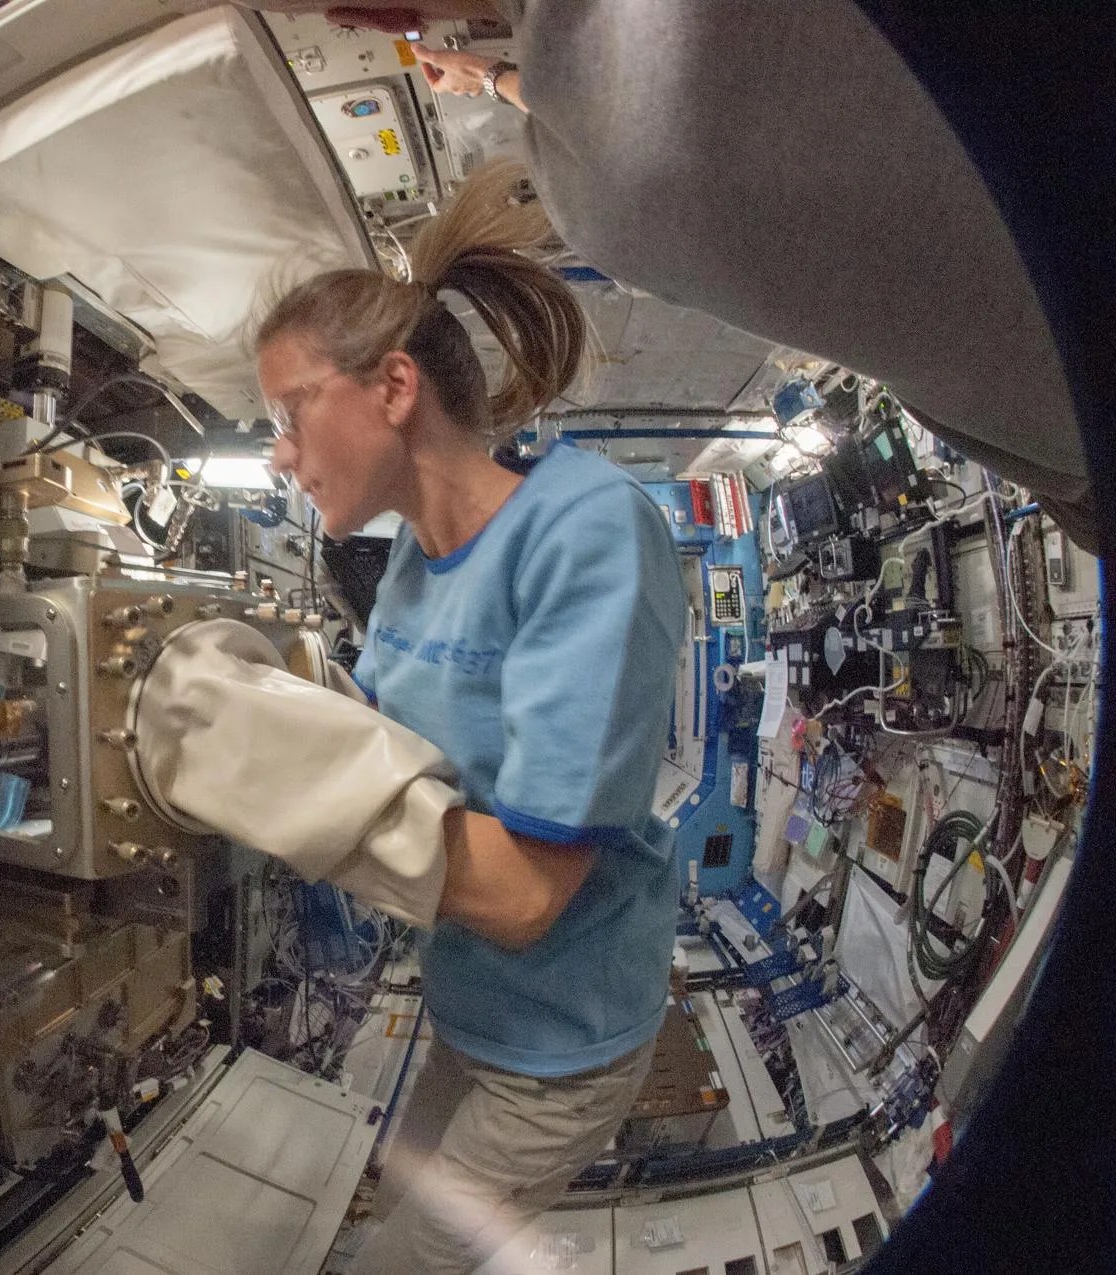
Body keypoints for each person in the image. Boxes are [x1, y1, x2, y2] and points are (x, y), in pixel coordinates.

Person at [136, 164, 688, 1272]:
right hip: (469, 1003)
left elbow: (528, 895)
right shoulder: (408, 572)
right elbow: (399, 761)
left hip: (565, 1041)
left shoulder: (585, 532)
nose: (282, 456)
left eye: (290, 417)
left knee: (413, 1260)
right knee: (395, 1205)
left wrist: (269, 767)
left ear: (394, 388)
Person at [220, 0, 1095, 550]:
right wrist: (492, 72)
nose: (280, 452)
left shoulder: (612, 188)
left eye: (292, 412)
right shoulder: (617, 149)